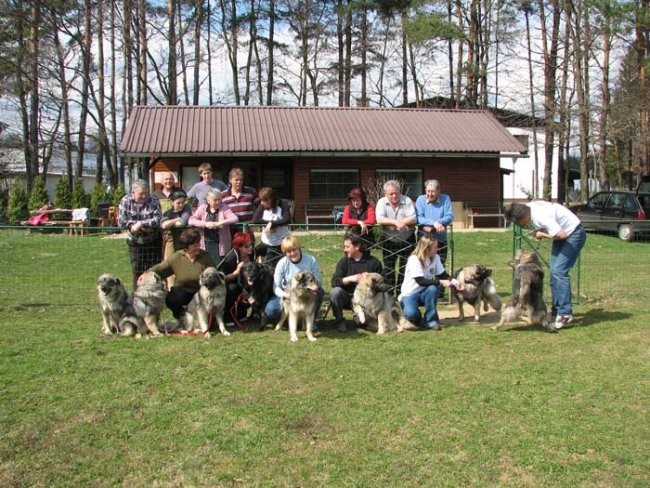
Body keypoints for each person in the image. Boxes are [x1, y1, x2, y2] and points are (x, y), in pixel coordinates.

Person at [505, 201, 586, 330]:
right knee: (554, 272)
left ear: (524, 217)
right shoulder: (528, 208)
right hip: (562, 234)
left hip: (573, 234)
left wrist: (542, 234)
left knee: (559, 272)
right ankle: (556, 312)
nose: (521, 226)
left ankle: (565, 314)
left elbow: (561, 234)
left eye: (518, 223)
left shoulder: (540, 216)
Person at [146, 228, 216, 322]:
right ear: (186, 247)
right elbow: (160, 268)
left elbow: (215, 274)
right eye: (195, 245)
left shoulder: (205, 257)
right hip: (183, 292)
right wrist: (146, 274)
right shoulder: (176, 257)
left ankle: (205, 318)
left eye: (198, 244)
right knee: (173, 298)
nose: (198, 247)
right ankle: (181, 317)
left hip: (201, 294)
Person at [263, 235, 324, 329]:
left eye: (294, 249)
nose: (292, 253)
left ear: (299, 248)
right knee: (270, 310)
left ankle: (311, 320)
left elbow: (318, 281)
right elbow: (276, 287)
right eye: (288, 251)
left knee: (319, 292)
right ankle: (290, 320)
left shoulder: (311, 260)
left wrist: (310, 290)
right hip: (287, 294)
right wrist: (286, 294)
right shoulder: (282, 263)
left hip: (307, 293)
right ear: (284, 253)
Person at [399, 235, 458, 330]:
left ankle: (430, 320)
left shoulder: (436, 258)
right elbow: (420, 281)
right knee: (412, 315)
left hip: (425, 292)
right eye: (435, 247)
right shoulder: (414, 260)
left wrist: (455, 282)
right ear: (426, 248)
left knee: (432, 289)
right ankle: (415, 317)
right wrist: (441, 283)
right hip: (410, 294)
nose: (437, 249)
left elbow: (442, 274)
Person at [330, 234, 383, 332]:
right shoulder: (344, 262)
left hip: (365, 301)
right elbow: (334, 282)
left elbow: (381, 286)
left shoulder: (373, 263)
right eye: (344, 247)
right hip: (347, 298)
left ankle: (361, 319)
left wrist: (370, 279)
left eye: (347, 247)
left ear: (357, 247)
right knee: (335, 292)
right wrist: (350, 278)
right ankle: (339, 321)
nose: (345, 250)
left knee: (361, 322)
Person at [118, 179, 162, 289]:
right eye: (141, 194)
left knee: (153, 271)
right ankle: (138, 297)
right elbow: (121, 221)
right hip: (135, 242)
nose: (144, 196)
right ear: (133, 192)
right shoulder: (125, 201)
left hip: (153, 240)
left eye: (146, 193)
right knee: (137, 271)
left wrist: (141, 224)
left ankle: (154, 296)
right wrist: (134, 226)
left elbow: (157, 219)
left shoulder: (153, 200)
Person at [375, 179, 417, 291]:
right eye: (391, 194)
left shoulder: (407, 200)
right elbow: (379, 218)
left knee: (405, 268)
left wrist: (399, 223)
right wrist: (396, 222)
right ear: (385, 194)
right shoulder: (381, 202)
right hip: (388, 240)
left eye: (396, 193)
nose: (394, 196)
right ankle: (389, 293)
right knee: (389, 269)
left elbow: (413, 218)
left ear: (400, 191)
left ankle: (401, 292)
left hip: (407, 239)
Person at [189, 188, 239, 264]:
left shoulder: (224, 207)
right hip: (206, 242)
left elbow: (235, 218)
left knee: (220, 264)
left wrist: (221, 223)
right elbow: (191, 220)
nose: (218, 202)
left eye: (219, 199)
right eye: (215, 200)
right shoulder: (202, 208)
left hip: (220, 243)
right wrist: (205, 224)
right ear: (208, 200)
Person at [219, 231, 260, 324]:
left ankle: (242, 314)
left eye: (251, 245)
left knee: (255, 286)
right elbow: (222, 277)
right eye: (246, 246)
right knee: (232, 288)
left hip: (247, 282)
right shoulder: (231, 258)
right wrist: (236, 272)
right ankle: (228, 317)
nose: (250, 248)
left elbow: (264, 247)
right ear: (239, 247)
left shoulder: (253, 253)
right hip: (231, 282)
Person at [251, 187, 292, 270]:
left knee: (284, 267)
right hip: (268, 242)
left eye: (264, 201)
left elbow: (287, 219)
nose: (261, 203)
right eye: (261, 201)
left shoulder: (283, 203)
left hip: (282, 242)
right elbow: (255, 220)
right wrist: (269, 224)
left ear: (270, 200)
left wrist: (273, 224)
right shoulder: (262, 206)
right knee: (269, 268)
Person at [415, 179, 453, 266]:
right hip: (424, 240)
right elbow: (418, 218)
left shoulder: (445, 198)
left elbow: (449, 216)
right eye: (428, 191)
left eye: (433, 191)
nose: (430, 194)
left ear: (439, 191)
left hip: (440, 239)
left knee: (440, 265)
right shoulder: (420, 199)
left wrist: (436, 224)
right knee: (423, 265)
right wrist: (434, 223)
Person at [160, 189, 191, 286]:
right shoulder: (167, 213)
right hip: (171, 241)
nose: (181, 205)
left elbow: (182, 222)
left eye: (183, 202)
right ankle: (171, 289)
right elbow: (164, 225)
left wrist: (172, 222)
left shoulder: (187, 209)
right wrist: (177, 219)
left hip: (184, 242)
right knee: (170, 265)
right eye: (178, 203)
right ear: (172, 202)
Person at [221, 167, 260, 236]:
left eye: (241, 180)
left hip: (248, 229)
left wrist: (255, 221)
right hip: (230, 230)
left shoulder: (251, 191)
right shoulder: (223, 195)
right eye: (236, 180)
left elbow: (260, 207)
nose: (239, 182)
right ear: (230, 180)